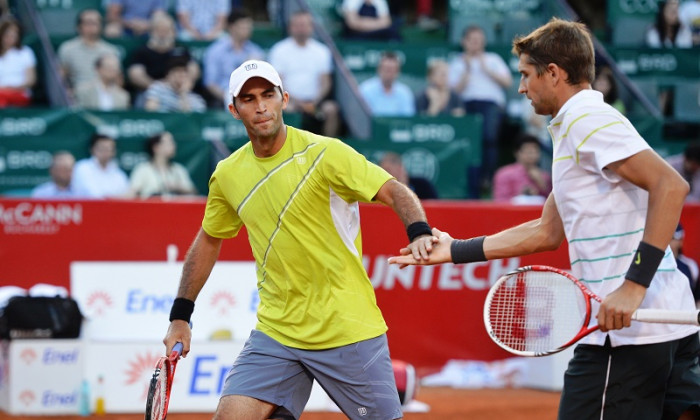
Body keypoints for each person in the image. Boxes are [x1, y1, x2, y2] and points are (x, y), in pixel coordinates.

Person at [390, 18, 700, 420]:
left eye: (525, 74)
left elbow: (671, 186)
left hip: (627, 339)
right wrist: (455, 251)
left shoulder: (585, 121)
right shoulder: (576, 128)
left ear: (553, 73)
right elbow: (547, 231)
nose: (520, 87)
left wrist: (632, 287)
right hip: (661, 330)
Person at [162, 59, 436, 420]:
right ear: (233, 109)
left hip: (346, 325)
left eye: (267, 95)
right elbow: (209, 240)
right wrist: (181, 315)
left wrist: (419, 231)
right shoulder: (227, 175)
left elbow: (393, 190)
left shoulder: (326, 153)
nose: (260, 106)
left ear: (284, 98)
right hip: (278, 330)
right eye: (248, 98)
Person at [448, 25, 512, 192]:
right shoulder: (457, 61)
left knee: (488, 137)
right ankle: (470, 181)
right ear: (464, 42)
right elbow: (454, 91)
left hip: (491, 105)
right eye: (472, 40)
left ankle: (487, 179)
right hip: (466, 105)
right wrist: (467, 70)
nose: (476, 44)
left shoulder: (493, 59)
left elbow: (508, 82)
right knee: (468, 143)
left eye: (479, 40)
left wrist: (486, 69)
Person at [268, 10, 340, 137]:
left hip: (316, 101)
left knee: (331, 109)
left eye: (304, 25)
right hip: (289, 100)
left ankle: (329, 148)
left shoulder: (322, 51)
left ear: (311, 27)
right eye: (297, 25)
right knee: (286, 109)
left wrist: (315, 101)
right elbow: (277, 82)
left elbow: (326, 82)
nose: (301, 29)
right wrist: (298, 103)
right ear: (290, 27)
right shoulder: (279, 50)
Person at [126, 13, 200, 106]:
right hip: (150, 91)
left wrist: (179, 84)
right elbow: (135, 75)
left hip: (179, 91)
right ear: (152, 32)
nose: (163, 34)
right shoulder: (142, 52)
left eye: (166, 30)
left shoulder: (181, 50)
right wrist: (158, 87)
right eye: (159, 30)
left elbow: (193, 70)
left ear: (173, 32)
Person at [203, 9, 264, 107]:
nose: (247, 30)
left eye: (248, 27)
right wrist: (229, 98)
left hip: (251, 96)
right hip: (223, 97)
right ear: (231, 27)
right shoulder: (216, 50)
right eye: (243, 27)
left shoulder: (255, 51)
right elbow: (210, 83)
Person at [57, 9, 120, 91]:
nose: (91, 26)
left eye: (95, 23)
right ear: (79, 26)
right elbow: (60, 76)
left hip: (105, 95)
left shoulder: (111, 50)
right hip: (77, 96)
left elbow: (118, 80)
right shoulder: (67, 48)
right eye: (88, 23)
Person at [129, 131, 197, 199]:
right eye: (169, 143)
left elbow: (194, 193)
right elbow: (131, 194)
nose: (174, 146)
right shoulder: (142, 170)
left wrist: (178, 188)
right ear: (156, 147)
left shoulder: (178, 169)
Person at [492, 134, 551, 203]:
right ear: (517, 153)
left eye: (535, 151)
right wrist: (521, 194)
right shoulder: (503, 174)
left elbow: (552, 205)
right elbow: (499, 201)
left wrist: (542, 185)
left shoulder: (545, 176)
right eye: (528, 151)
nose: (532, 155)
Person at [72, 133, 129, 198]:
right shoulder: (82, 168)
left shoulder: (119, 174)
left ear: (114, 152)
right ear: (92, 149)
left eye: (109, 149)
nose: (106, 152)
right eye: (102, 148)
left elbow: (125, 196)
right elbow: (91, 195)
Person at [359, 51, 415, 117]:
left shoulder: (405, 92)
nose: (389, 73)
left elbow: (408, 119)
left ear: (398, 72)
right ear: (379, 69)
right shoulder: (365, 89)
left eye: (392, 70)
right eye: (386, 69)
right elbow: (361, 117)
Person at [0, 18, 35, 108]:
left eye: (14, 34)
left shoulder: (26, 52)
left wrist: (12, 88)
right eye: (8, 34)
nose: (11, 37)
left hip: (19, 93)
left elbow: (31, 80)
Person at [670, 223, 700, 305]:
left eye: (672, 238)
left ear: (681, 241)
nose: (668, 242)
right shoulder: (653, 265)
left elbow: (697, 298)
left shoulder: (690, 266)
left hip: (685, 315)